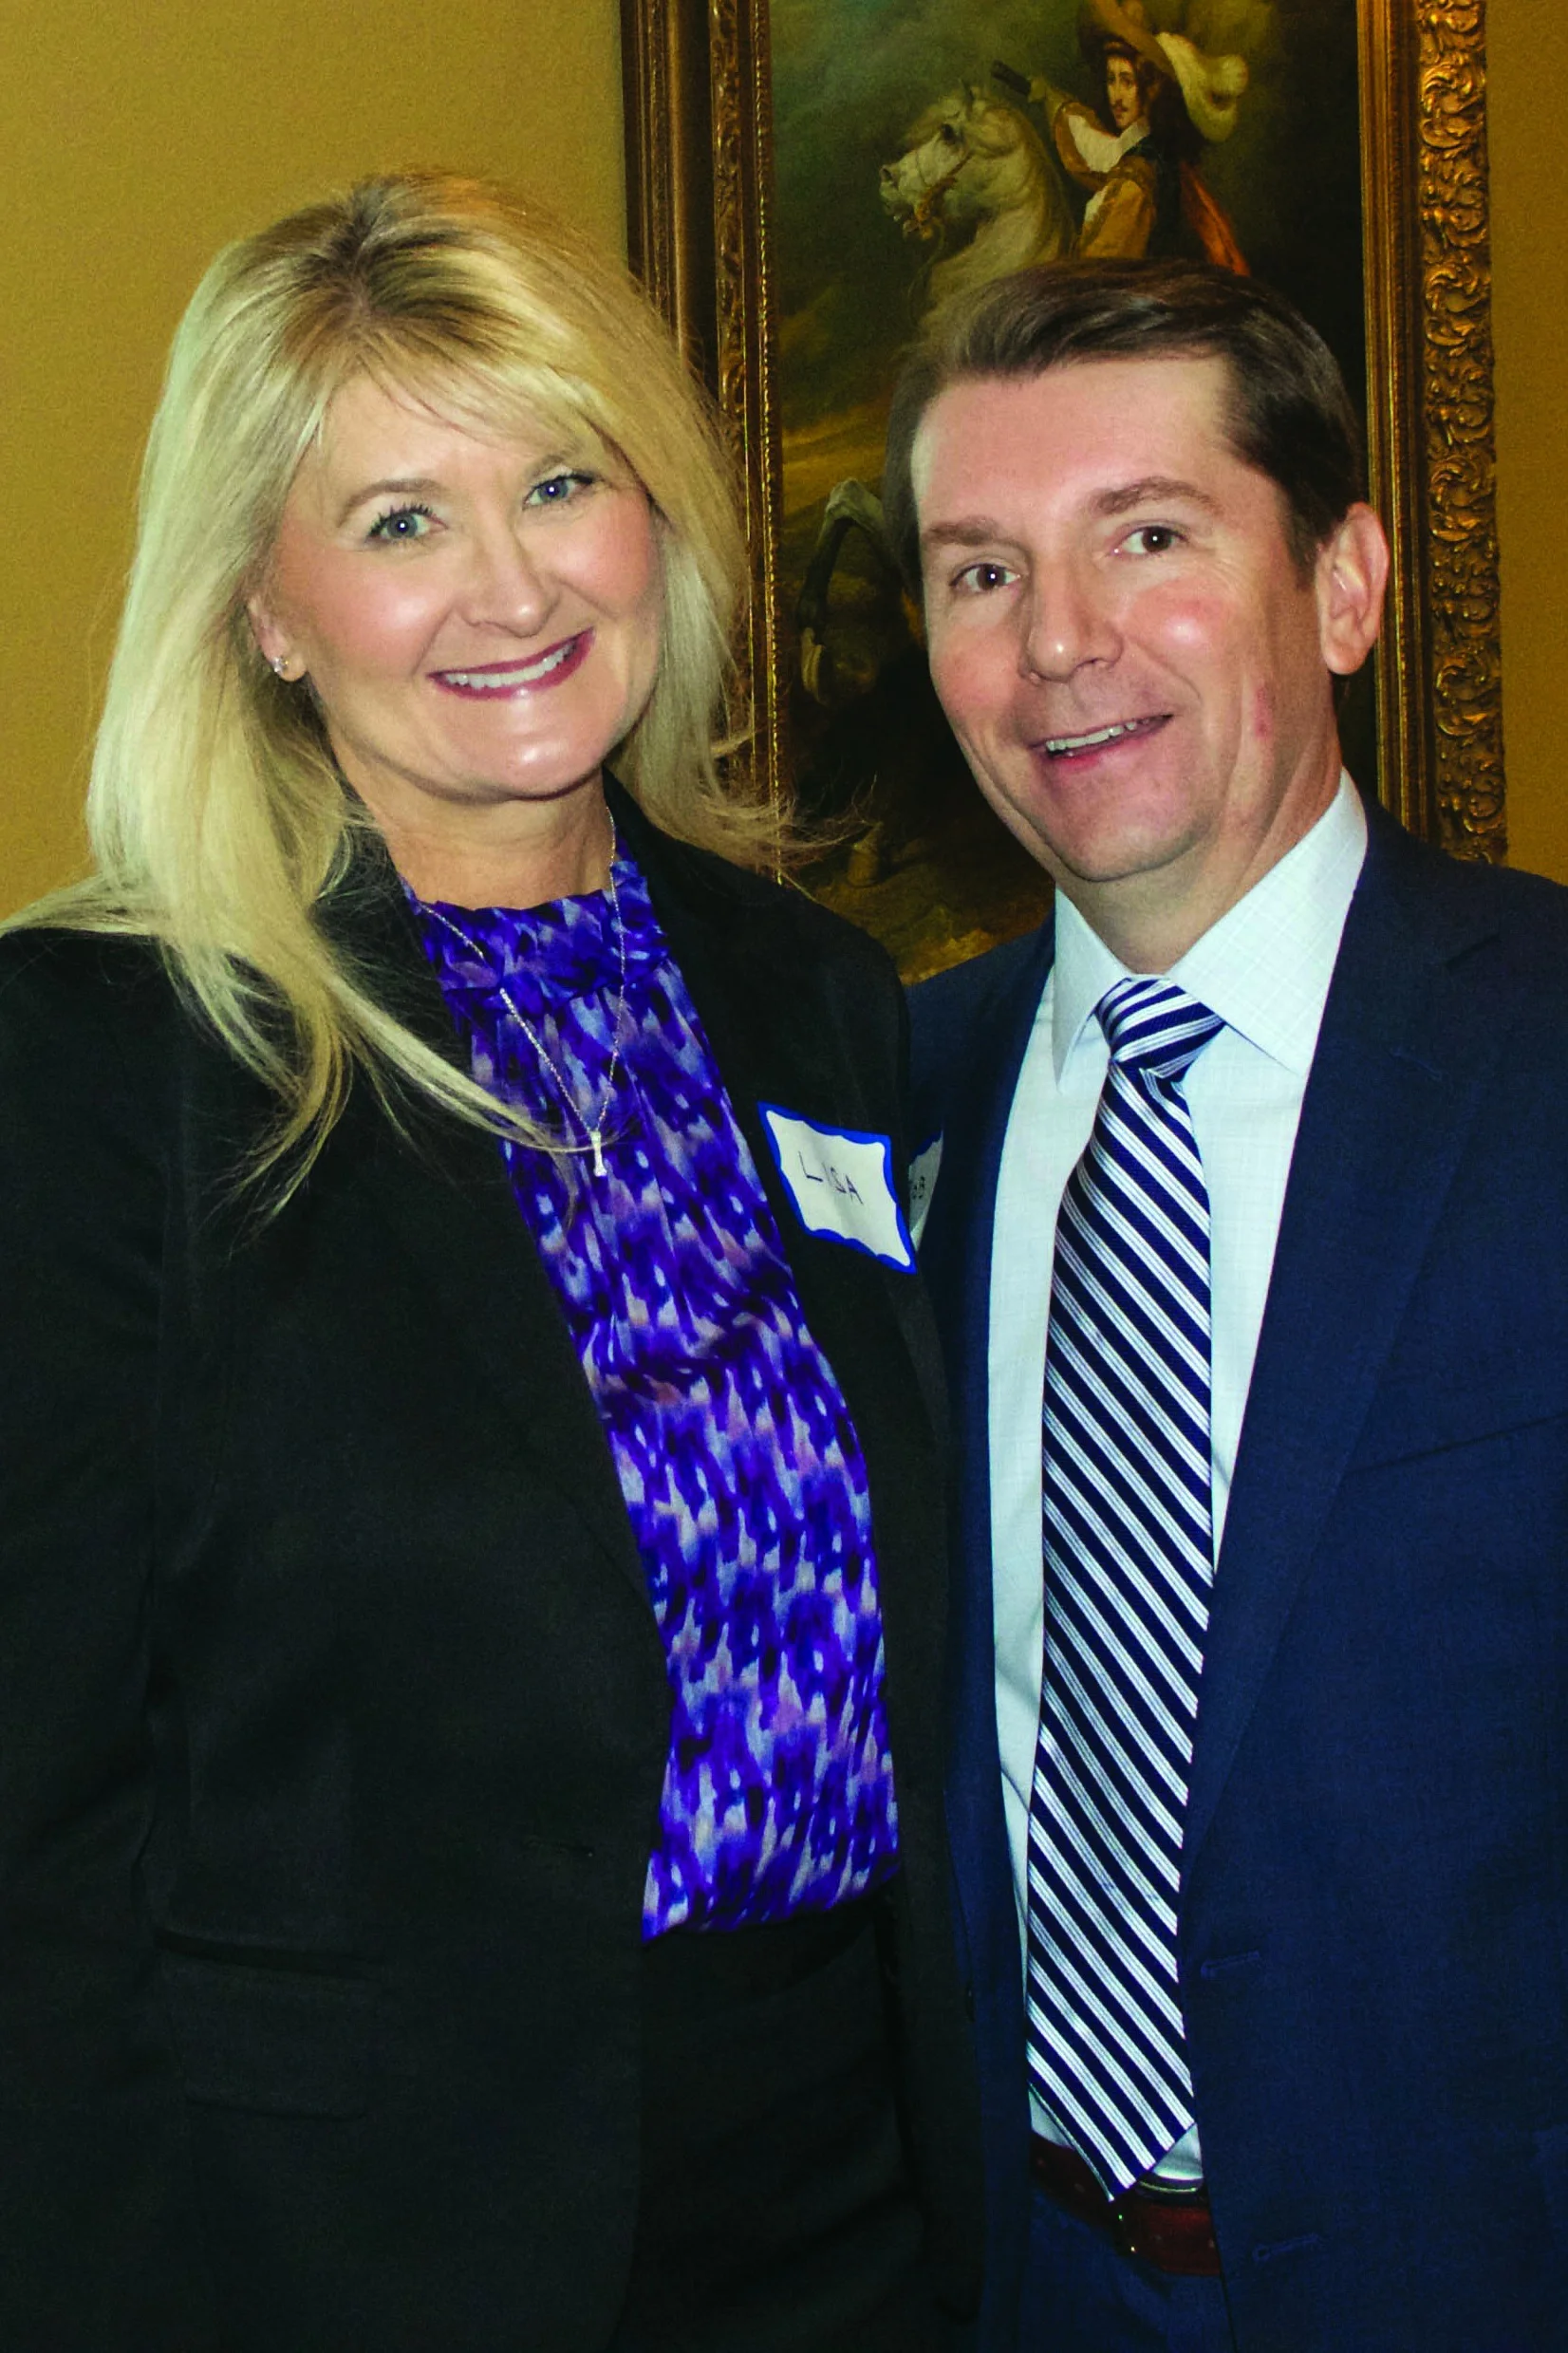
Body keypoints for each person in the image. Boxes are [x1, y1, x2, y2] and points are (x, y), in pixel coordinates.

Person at [0, 174, 981, 2351]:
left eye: (559, 479)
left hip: (854, 2194)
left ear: (658, 512)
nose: (514, 585)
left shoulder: (814, 995)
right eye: (398, 521)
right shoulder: (93, 1062)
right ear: (263, 608)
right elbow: (35, 1828)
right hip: (349, 2239)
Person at [884, 255, 1568, 2351]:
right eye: (977, 571)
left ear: (1344, 586)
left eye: (1149, 538)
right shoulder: (877, 1115)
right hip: (999, 2284)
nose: (1059, 644)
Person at [1020, 0, 1247, 270]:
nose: (1116, 96)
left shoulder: (1137, 180)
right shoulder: (1145, 149)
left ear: (1149, 89)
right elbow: (1099, 151)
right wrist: (1049, 97)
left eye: (1127, 82)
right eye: (1111, 80)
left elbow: (1098, 272)